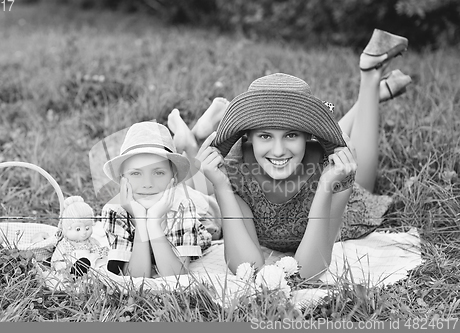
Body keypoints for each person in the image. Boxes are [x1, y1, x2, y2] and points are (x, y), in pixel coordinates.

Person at [169, 29, 410, 279]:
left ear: (309, 134)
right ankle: (371, 92)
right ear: (247, 137)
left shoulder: (331, 168)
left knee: (359, 177)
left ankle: (370, 80)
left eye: (292, 135)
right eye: (265, 136)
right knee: (337, 148)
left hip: (335, 198)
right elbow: (247, 267)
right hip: (277, 170)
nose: (278, 150)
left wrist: (327, 186)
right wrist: (220, 188)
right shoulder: (235, 169)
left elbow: (310, 272)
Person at [101, 121, 212, 278]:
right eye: (136, 173)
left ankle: (190, 142)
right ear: (122, 179)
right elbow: (136, 277)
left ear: (173, 176)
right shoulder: (115, 211)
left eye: (158, 172)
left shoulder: (182, 205)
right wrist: (141, 222)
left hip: (204, 220)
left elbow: (176, 276)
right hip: (171, 194)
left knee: (207, 198)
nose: (147, 184)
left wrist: (153, 224)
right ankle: (185, 138)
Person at [51, 196, 108, 276]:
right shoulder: (64, 244)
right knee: (65, 264)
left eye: (87, 228)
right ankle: (75, 274)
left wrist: (102, 255)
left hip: (91, 266)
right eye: (78, 229)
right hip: (71, 266)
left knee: (100, 262)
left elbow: (98, 252)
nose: (84, 232)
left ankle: (96, 273)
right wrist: (61, 266)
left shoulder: (92, 241)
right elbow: (57, 261)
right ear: (66, 229)